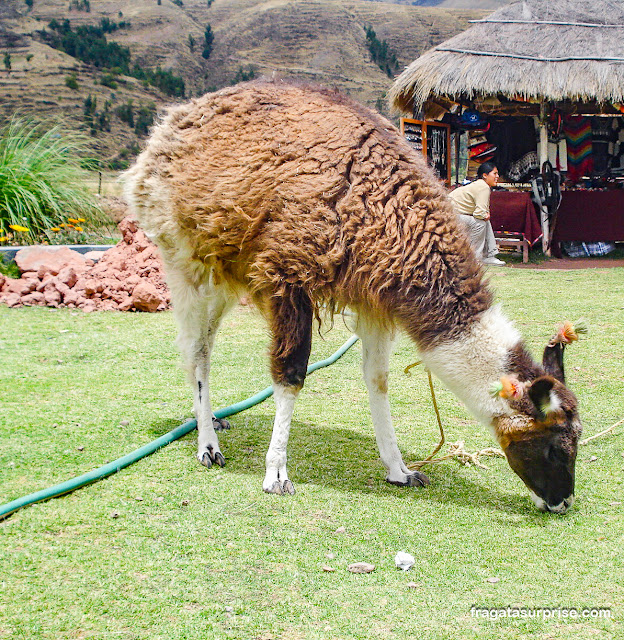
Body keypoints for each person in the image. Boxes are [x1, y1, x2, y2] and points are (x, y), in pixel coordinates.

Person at [448, 162, 505, 266]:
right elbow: (479, 214)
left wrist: (484, 216)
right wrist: (485, 215)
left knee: (485, 222)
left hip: (453, 213)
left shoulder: (480, 185)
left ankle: (490, 255)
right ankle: (475, 258)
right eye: (495, 174)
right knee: (480, 223)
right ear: (485, 175)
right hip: (450, 215)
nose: (497, 176)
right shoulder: (483, 187)